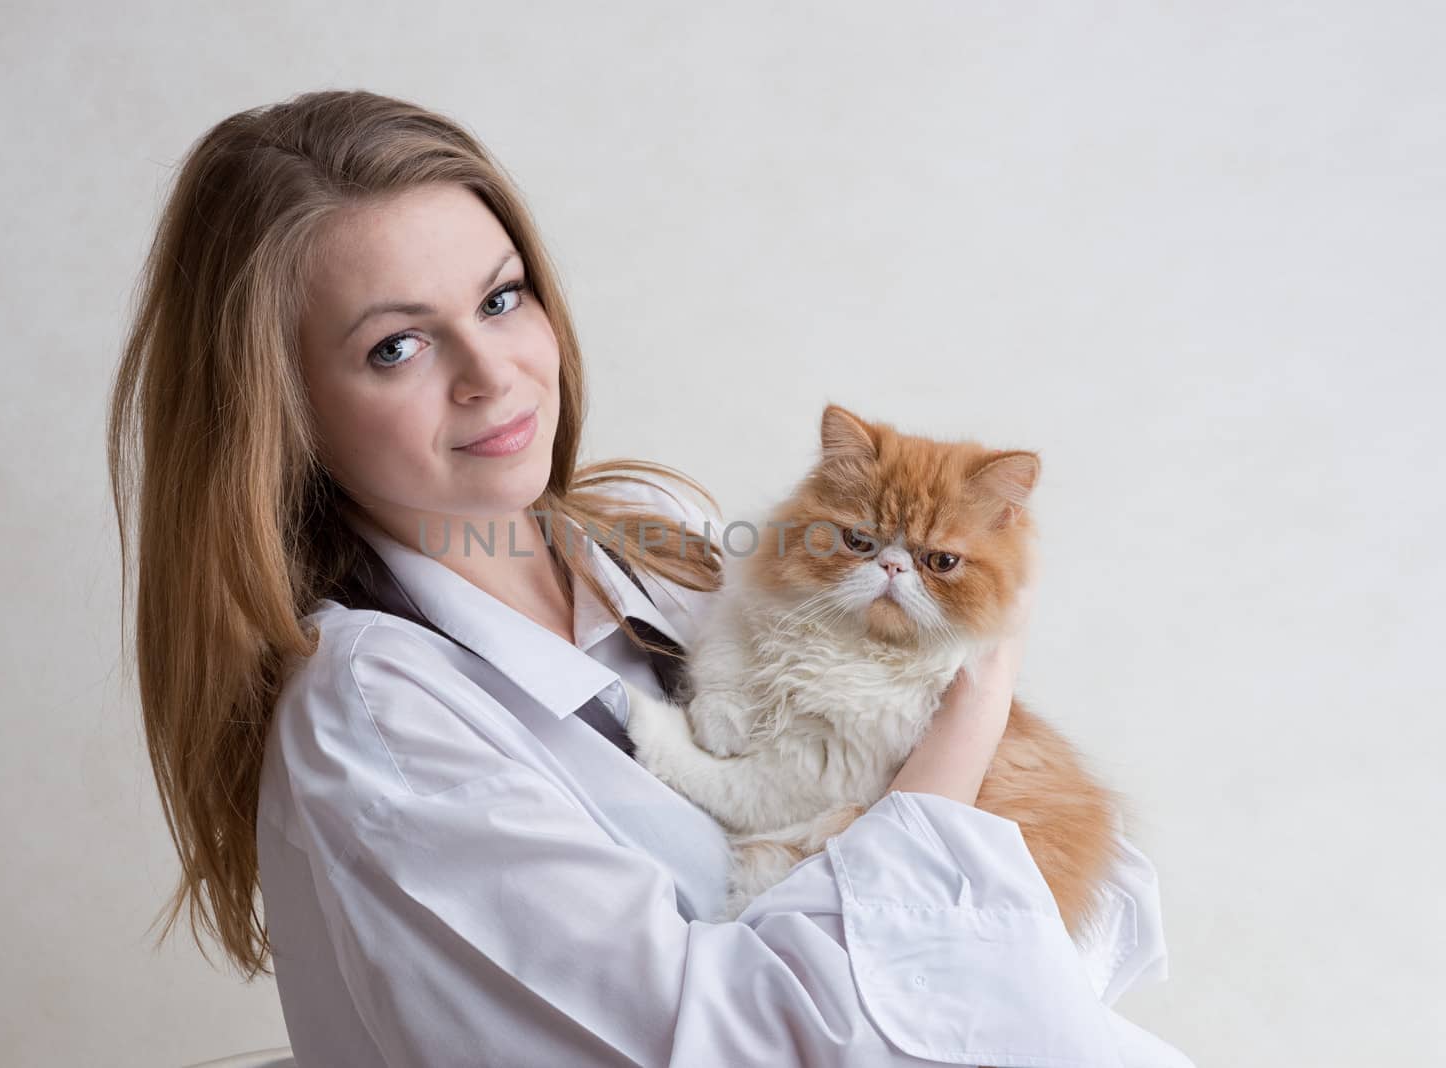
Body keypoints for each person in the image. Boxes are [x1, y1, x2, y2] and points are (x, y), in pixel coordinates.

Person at [107, 89, 1193, 1067]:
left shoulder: (659, 542)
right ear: (281, 409)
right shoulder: (380, 714)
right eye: (397, 346)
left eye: (500, 299)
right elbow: (750, 1049)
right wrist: (967, 725)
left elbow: (1110, 910)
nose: (493, 375)